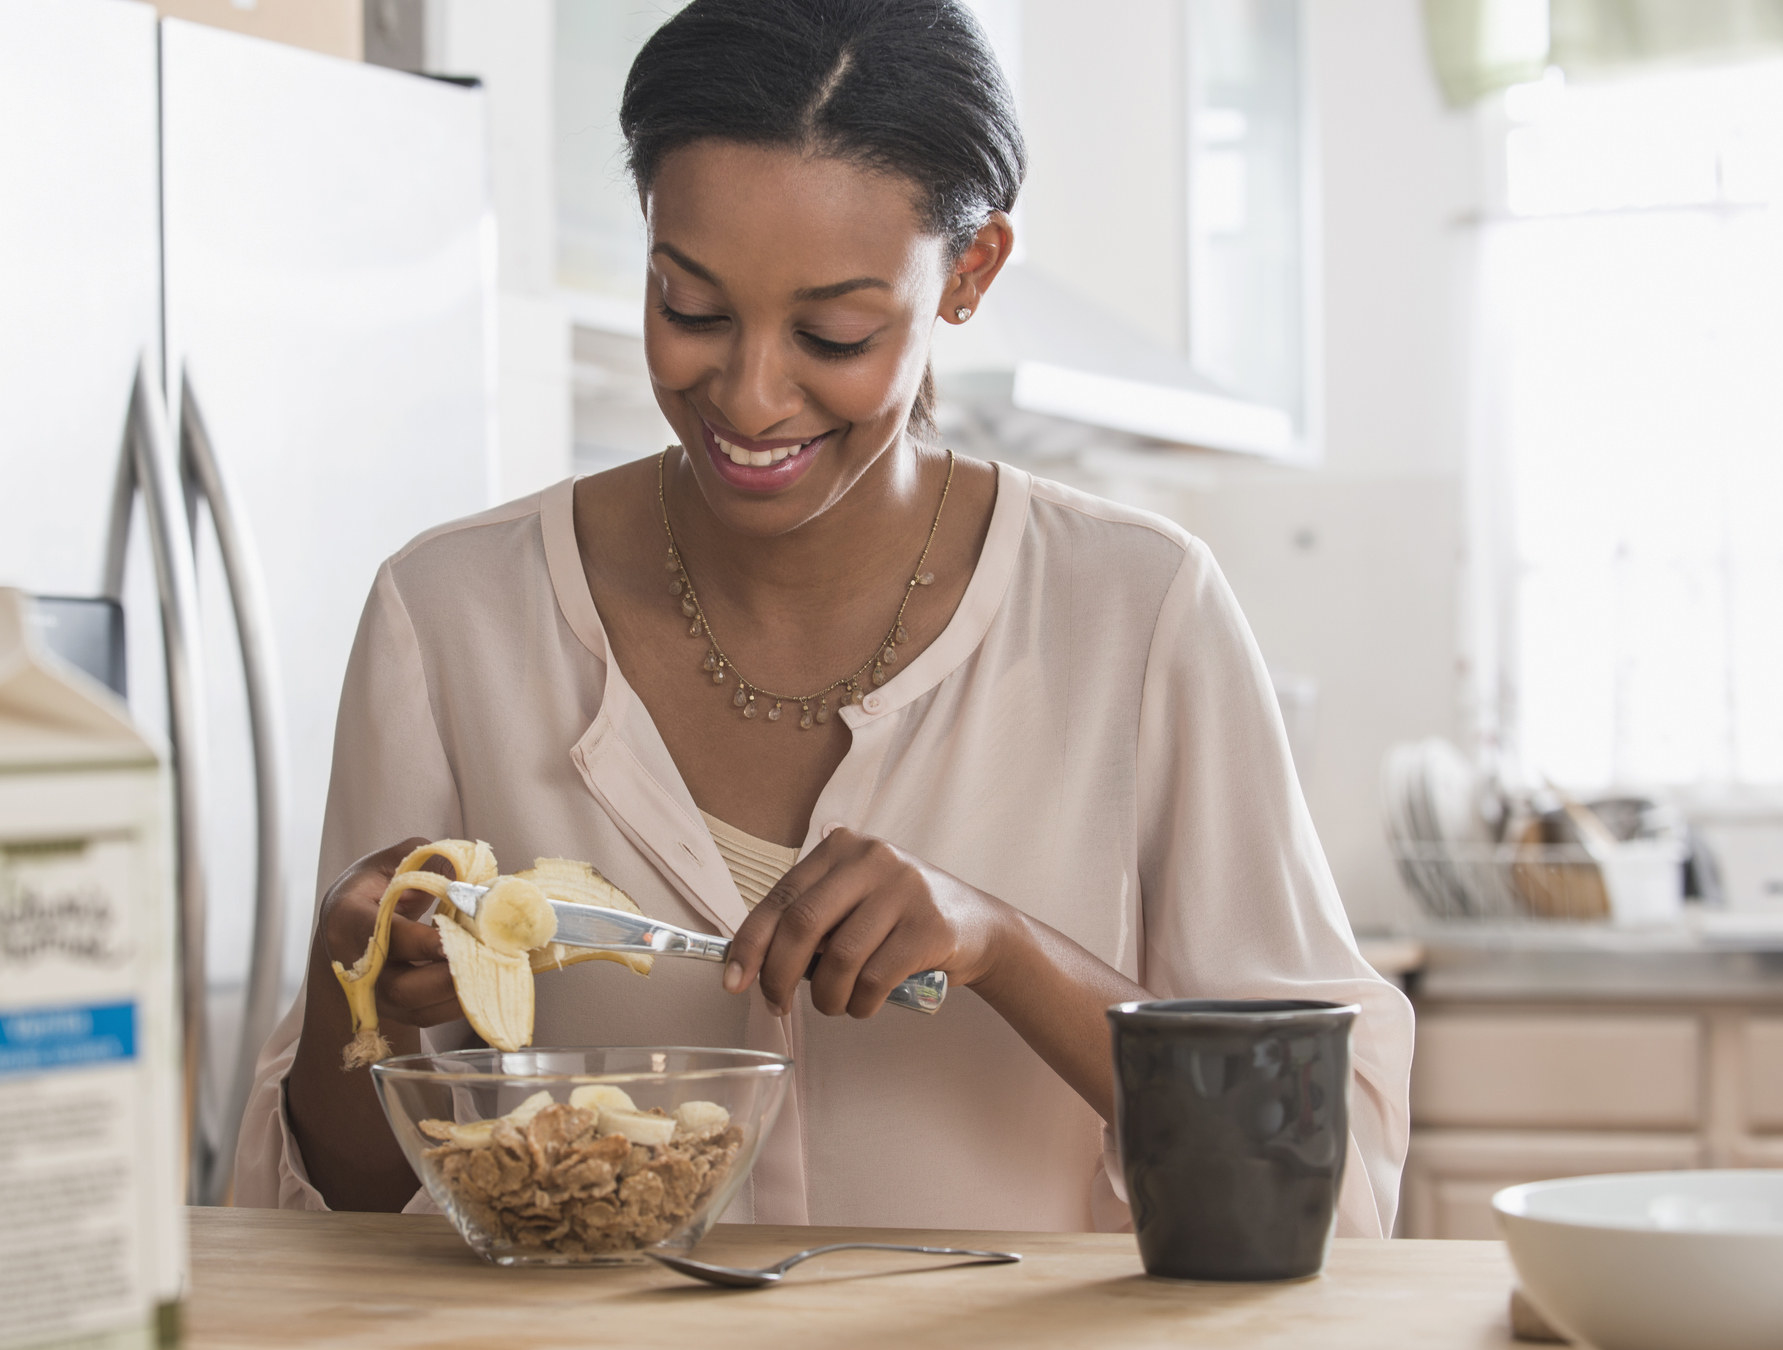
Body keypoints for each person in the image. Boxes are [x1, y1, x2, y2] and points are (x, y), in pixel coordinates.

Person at [234, 0, 1413, 1233]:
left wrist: (1003, 947)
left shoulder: (1138, 611)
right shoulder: (450, 616)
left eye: (832, 331)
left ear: (969, 273)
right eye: (689, 307)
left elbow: (1312, 1173)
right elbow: (342, 1212)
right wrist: (349, 987)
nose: (747, 394)